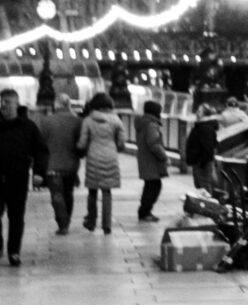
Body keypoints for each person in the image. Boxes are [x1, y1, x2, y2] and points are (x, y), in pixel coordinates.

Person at [0, 86, 49, 266]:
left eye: (8, 102)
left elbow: (41, 151)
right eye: (2, 102)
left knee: (16, 217)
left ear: (17, 104)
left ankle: (14, 252)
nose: (5, 106)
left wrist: (39, 172)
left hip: (17, 178)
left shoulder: (28, 127)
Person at [77, 89, 128, 234]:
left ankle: (91, 221)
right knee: (107, 192)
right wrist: (116, 147)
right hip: (110, 156)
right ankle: (107, 225)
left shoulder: (88, 120)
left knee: (92, 191)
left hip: (93, 157)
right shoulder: (116, 119)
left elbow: (82, 142)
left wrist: (79, 148)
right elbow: (122, 140)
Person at [39, 92, 81, 234]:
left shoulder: (46, 121)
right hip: (71, 165)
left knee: (57, 195)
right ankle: (67, 220)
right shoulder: (77, 121)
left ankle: (62, 223)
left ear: (55, 106)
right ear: (69, 105)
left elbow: (40, 143)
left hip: (52, 165)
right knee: (68, 193)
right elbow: (80, 144)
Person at [135, 99, 169, 222]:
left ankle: (144, 211)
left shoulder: (144, 122)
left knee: (150, 186)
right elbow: (154, 144)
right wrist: (164, 156)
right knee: (154, 186)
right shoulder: (151, 125)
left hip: (145, 159)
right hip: (151, 161)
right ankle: (145, 212)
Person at [184, 104, 220, 194]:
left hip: (202, 164)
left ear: (205, 115)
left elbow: (208, 148)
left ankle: (208, 206)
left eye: (199, 111)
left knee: (204, 189)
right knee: (201, 188)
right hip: (199, 163)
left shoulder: (206, 128)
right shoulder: (202, 126)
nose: (197, 113)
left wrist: (202, 162)